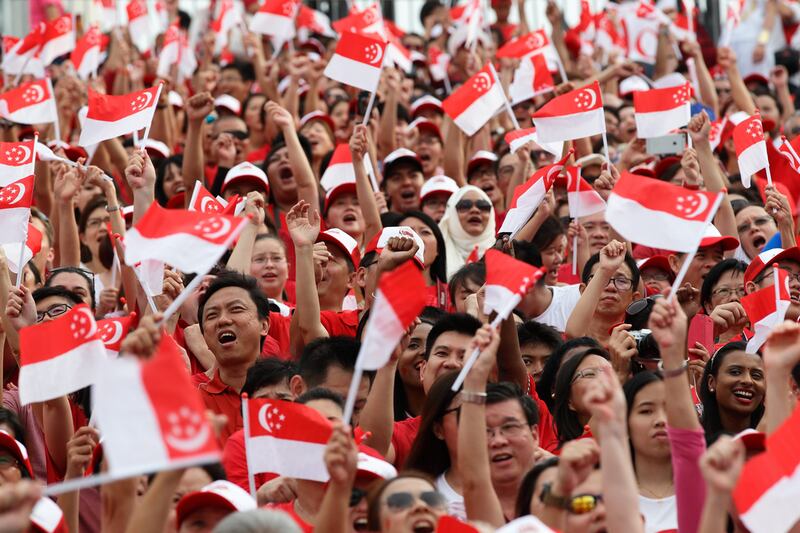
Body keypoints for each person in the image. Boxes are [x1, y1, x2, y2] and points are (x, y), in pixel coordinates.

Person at [194, 272, 271, 444]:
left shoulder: (287, 393)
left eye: (236, 309)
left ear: (264, 325)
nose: (223, 320)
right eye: (212, 315)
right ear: (204, 336)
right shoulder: (188, 397)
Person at [699, 342, 765, 442]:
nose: (747, 380)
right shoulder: (691, 444)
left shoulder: (780, 442)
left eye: (756, 375)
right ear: (711, 382)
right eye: (735, 372)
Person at [439, 186, 496, 279]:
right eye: (465, 206)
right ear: (451, 213)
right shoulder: (436, 254)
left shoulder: (504, 252)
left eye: (483, 206)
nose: (475, 210)